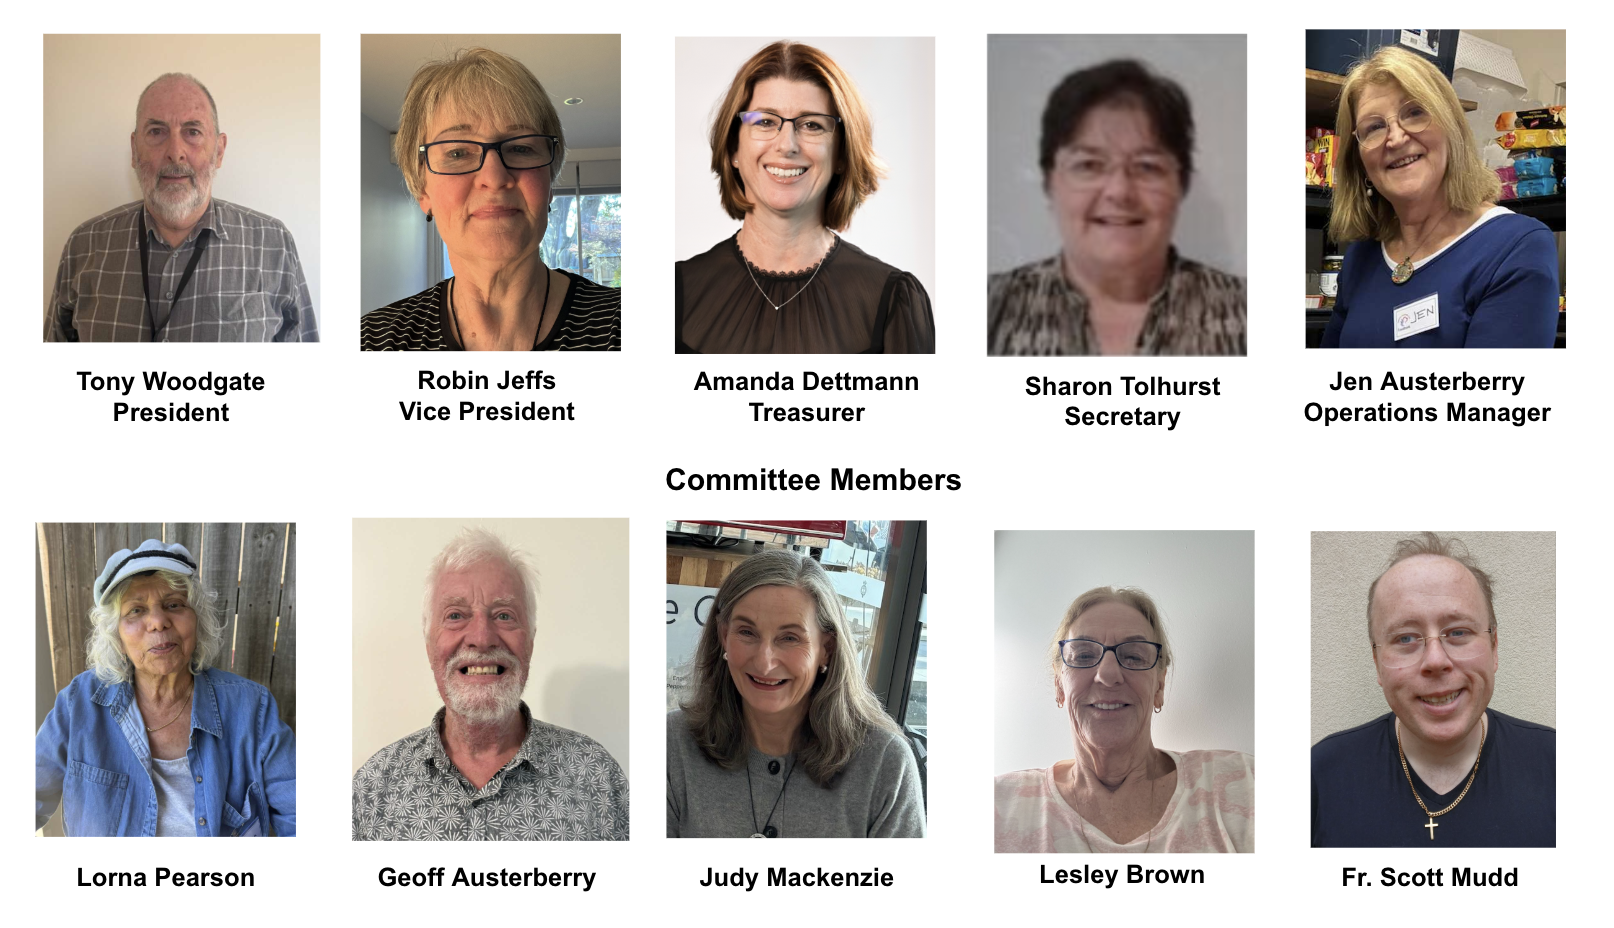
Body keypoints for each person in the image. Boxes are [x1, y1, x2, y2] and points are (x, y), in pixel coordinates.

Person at [352, 528, 628, 840]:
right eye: (456, 615)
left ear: (530, 640)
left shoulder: (598, 776)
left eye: (504, 616)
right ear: (429, 643)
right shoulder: (373, 788)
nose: (482, 638)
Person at [676, 41, 934, 354]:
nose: (787, 145)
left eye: (812, 125)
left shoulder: (892, 299)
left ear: (841, 153)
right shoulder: (675, 293)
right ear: (733, 149)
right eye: (765, 122)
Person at [361, 48, 620, 351]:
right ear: (423, 190)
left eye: (521, 148)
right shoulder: (372, 343)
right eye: (457, 152)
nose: (495, 177)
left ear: (550, 182)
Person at [35, 540, 296, 836]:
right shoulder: (78, 704)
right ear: (117, 637)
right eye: (135, 610)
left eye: (173, 604)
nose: (158, 621)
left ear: (197, 620)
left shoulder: (252, 708)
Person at [1312, 534, 1555, 846]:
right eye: (1405, 638)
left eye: (1458, 632)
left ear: (1494, 647)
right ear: (1377, 662)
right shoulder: (1320, 776)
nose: (1436, 660)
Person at [989, 60, 1245, 356]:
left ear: (1182, 184)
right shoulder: (987, 307)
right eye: (1089, 165)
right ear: (1050, 183)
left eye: (1147, 167)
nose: (1120, 191)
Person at [668, 550, 924, 837]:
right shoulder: (672, 744)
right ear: (723, 635)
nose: (765, 662)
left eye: (789, 638)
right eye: (747, 633)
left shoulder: (885, 765)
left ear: (826, 648)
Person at [47, 73, 317, 343]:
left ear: (219, 151)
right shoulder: (84, 245)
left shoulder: (273, 244)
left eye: (192, 132)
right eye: (156, 132)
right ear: (134, 150)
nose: (175, 151)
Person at [1321, 47, 1558, 347]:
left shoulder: (1517, 248)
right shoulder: (1362, 256)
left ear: (1452, 127)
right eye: (1374, 127)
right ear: (1360, 162)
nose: (1395, 138)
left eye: (1415, 112)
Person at [995, 587, 1253, 852]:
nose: (1107, 674)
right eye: (1083, 655)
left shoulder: (1242, 786)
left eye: (1133, 656)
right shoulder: (999, 805)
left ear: (1159, 686)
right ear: (1060, 685)